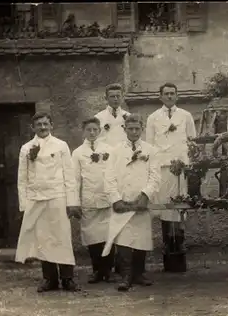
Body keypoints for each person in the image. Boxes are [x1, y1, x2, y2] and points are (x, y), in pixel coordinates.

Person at [15, 112, 81, 292]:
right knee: (43, 239)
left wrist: (72, 202)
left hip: (58, 197)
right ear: (33, 127)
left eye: (45, 124)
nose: (42, 127)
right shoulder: (26, 148)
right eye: (39, 125)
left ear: (51, 125)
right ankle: (49, 279)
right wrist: (24, 204)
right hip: (36, 199)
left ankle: (67, 278)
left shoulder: (61, 146)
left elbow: (69, 175)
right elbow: (22, 178)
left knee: (62, 237)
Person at [102, 114, 161, 291]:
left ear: (142, 129)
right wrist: (116, 199)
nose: (134, 132)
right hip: (123, 201)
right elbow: (109, 177)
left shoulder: (151, 150)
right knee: (124, 239)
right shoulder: (115, 151)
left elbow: (155, 176)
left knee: (141, 239)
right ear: (124, 129)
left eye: (137, 128)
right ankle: (125, 275)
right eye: (130, 128)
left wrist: (145, 195)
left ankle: (139, 273)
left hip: (140, 201)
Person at [145, 82, 197, 273]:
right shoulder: (152, 118)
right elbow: (149, 146)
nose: (169, 96)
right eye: (165, 93)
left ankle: (179, 249)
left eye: (172, 93)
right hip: (162, 168)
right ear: (160, 96)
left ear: (177, 96)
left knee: (180, 206)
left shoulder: (186, 116)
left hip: (180, 168)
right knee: (165, 208)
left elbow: (192, 142)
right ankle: (168, 249)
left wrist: (189, 166)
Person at [72, 117, 115, 284]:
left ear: (99, 131)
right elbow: (75, 180)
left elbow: (113, 175)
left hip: (106, 198)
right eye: (88, 130)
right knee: (91, 237)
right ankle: (97, 270)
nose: (92, 133)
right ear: (83, 131)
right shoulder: (77, 153)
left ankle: (108, 270)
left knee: (108, 235)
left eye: (95, 130)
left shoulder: (108, 149)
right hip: (88, 199)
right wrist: (75, 201)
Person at [94, 83, 131, 274]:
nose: (115, 99)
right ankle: (106, 263)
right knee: (108, 217)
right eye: (112, 96)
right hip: (107, 167)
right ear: (106, 98)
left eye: (118, 96)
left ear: (122, 97)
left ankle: (122, 263)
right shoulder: (99, 118)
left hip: (124, 168)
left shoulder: (128, 117)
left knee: (123, 214)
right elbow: (96, 141)